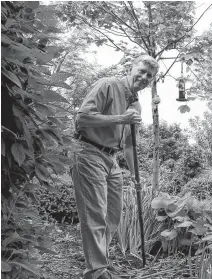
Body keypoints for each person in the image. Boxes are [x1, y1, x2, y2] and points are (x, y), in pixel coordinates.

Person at [71, 55, 159, 279]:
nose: (144, 77)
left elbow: (130, 145)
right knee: (95, 215)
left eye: (149, 76)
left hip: (112, 160)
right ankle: (97, 271)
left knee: (113, 215)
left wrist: (135, 175)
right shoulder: (108, 85)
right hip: (89, 152)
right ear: (131, 68)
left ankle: (102, 261)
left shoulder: (136, 104)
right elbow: (82, 119)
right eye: (141, 71)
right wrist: (120, 118)